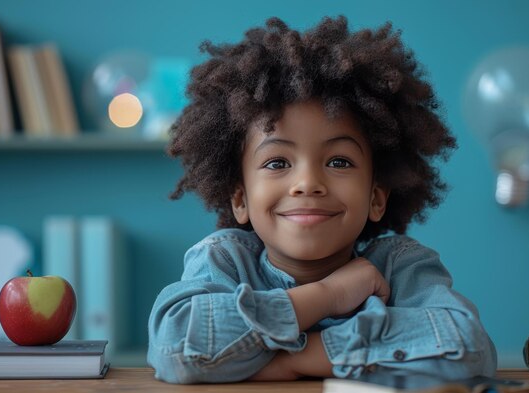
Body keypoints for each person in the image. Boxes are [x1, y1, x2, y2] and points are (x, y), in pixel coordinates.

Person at [147, 15, 497, 384]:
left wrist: (298, 360)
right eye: (277, 162)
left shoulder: (400, 266)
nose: (308, 183)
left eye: (339, 161)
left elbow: (469, 347)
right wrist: (327, 296)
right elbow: (176, 346)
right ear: (241, 199)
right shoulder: (224, 259)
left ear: (376, 197)